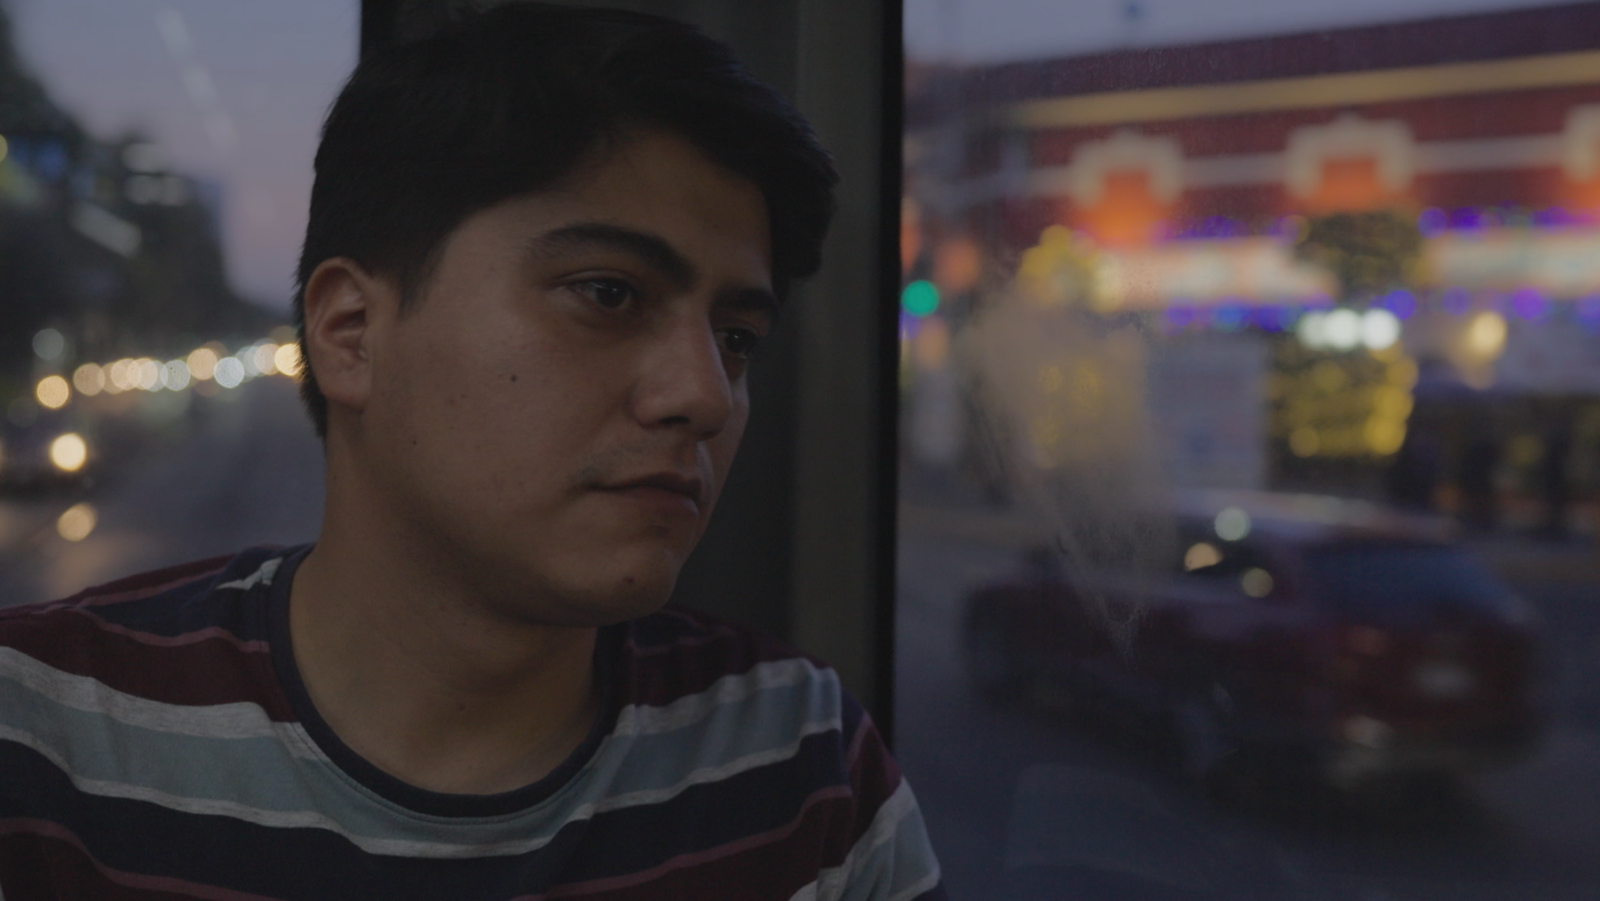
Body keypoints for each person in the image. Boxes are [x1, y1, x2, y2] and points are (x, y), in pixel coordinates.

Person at [0, 5, 944, 898]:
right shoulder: (45, 740)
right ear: (352, 333)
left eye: (737, 338)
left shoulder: (799, 761)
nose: (703, 395)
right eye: (607, 294)